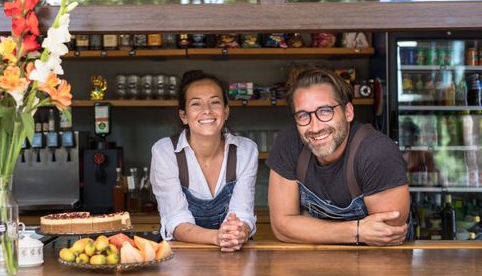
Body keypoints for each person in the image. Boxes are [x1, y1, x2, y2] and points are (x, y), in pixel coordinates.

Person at [266, 67, 410, 246]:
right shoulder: (289, 142)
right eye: (303, 116)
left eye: (325, 111)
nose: (315, 127)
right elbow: (282, 227)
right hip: (313, 262)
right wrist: (358, 230)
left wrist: (306, 224)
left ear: (348, 112)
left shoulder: (377, 152)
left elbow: (386, 233)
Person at [150, 70, 258, 251]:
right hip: (183, 257)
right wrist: (218, 237)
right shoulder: (165, 152)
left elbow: (242, 213)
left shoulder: (245, 151)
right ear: (183, 115)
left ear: (226, 111)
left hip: (234, 252)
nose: (207, 110)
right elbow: (176, 219)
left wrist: (239, 232)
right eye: (196, 104)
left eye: (215, 102)